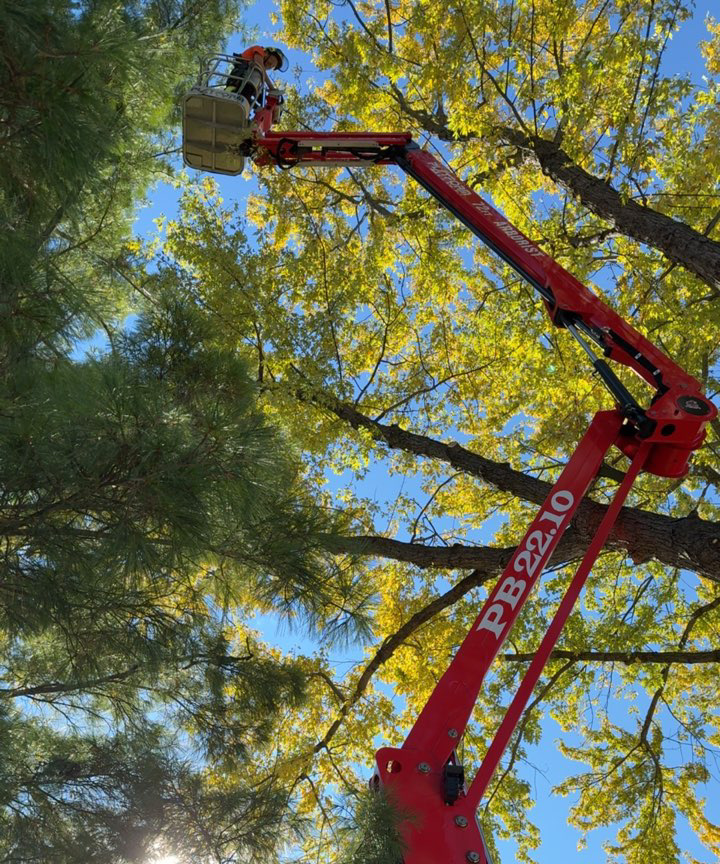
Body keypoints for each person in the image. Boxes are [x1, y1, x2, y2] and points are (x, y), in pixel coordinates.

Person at [225, 46, 288, 114]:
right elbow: (259, 65)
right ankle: (246, 100)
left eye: (272, 66)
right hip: (238, 79)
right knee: (258, 71)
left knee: (259, 92)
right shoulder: (259, 50)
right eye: (271, 62)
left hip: (242, 84)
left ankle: (257, 108)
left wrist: (269, 98)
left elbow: (256, 90)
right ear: (267, 53)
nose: (269, 66)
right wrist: (271, 88)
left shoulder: (256, 78)